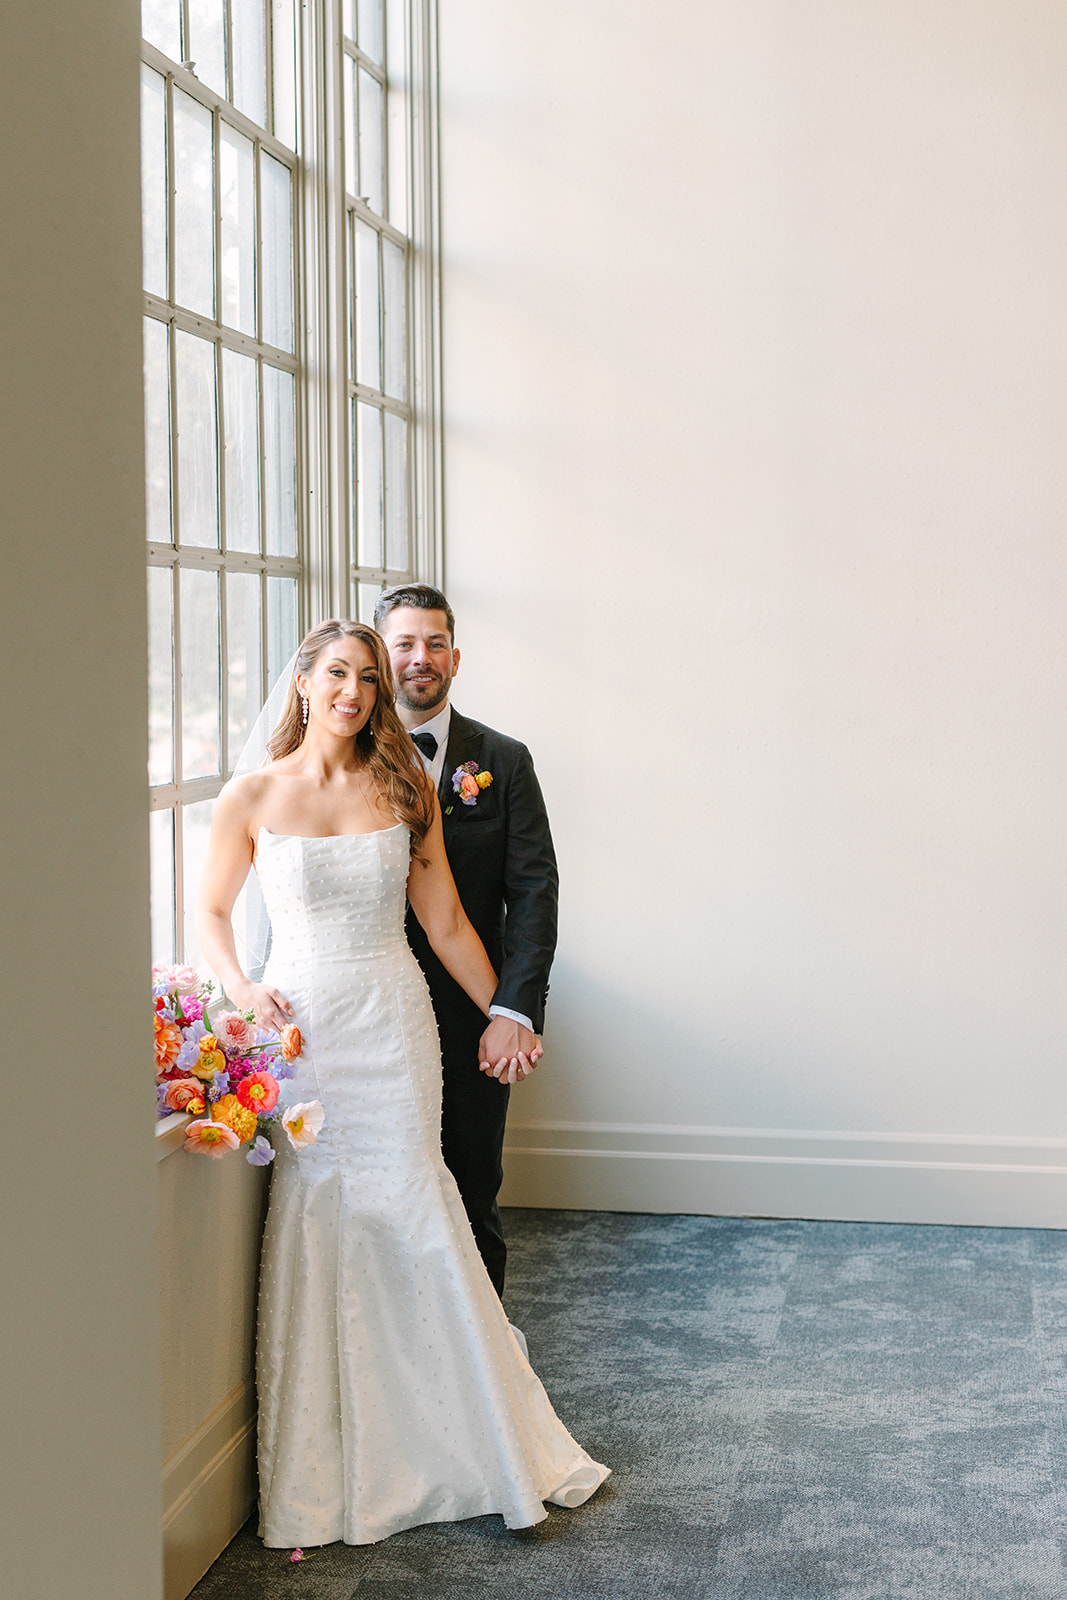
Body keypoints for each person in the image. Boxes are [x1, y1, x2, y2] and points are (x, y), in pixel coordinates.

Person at [196, 619, 607, 1549]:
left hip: (392, 1020)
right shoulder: (250, 794)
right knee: (324, 1211)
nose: (353, 691)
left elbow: (451, 922)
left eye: (368, 679)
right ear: (302, 682)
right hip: (303, 1030)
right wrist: (239, 986)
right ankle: (338, 1457)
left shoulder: (403, 785)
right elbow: (212, 909)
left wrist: (507, 1010)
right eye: (337, 673)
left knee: (418, 1204)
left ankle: (464, 1441)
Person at [374, 584, 557, 1298]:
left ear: (456, 656)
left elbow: (534, 892)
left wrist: (510, 1013)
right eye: (404, 643)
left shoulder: (502, 761)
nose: (421, 659)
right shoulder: (342, 757)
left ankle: (489, 1365)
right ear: (378, 654)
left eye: (435, 643)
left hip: (470, 1010)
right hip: (372, 1008)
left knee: (472, 1183)